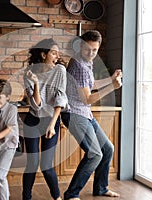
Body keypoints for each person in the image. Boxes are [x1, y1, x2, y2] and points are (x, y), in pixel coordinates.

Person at [61, 30, 122, 199]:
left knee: (108, 149)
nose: (91, 53)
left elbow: (91, 84)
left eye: (95, 50)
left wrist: (110, 79)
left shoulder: (86, 62)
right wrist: (112, 87)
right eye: (88, 49)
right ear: (80, 46)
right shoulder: (78, 65)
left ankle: (101, 188)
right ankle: (71, 194)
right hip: (74, 114)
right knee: (95, 154)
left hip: (84, 114)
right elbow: (88, 98)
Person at [22, 38, 68, 200]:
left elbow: (60, 99)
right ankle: (26, 197)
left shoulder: (60, 71)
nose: (57, 56)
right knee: (32, 165)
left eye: (57, 53)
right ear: (43, 55)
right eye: (53, 53)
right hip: (33, 121)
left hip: (51, 120)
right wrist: (35, 83)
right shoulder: (29, 73)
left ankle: (57, 197)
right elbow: (36, 106)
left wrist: (52, 124)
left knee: (46, 166)